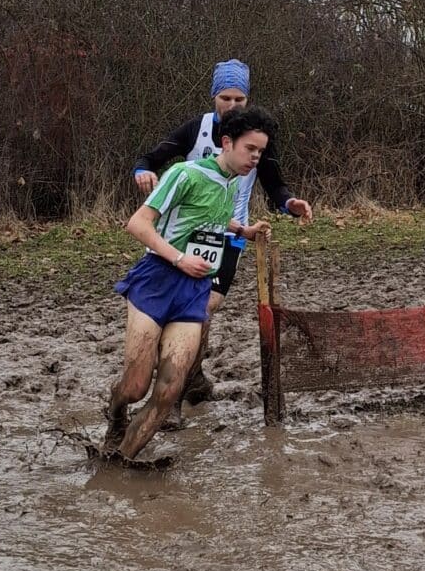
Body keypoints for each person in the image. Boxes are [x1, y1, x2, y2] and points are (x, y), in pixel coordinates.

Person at [133, 59, 312, 413]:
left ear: (247, 100)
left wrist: (289, 203)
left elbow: (274, 182)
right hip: (185, 234)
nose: (232, 106)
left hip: (229, 234)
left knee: (205, 306)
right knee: (183, 306)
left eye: (239, 99)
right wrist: (142, 170)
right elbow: (152, 156)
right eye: (226, 98)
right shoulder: (195, 129)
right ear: (215, 96)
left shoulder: (257, 136)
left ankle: (184, 380)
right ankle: (189, 375)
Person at [103, 106, 275, 464]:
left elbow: (210, 217)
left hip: (193, 292)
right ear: (227, 143)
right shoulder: (184, 173)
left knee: (168, 391)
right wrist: (179, 258)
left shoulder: (232, 182)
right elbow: (138, 225)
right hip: (156, 282)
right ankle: (117, 410)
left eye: (260, 152)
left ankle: (121, 462)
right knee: (136, 387)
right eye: (250, 149)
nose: (255, 158)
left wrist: (242, 230)